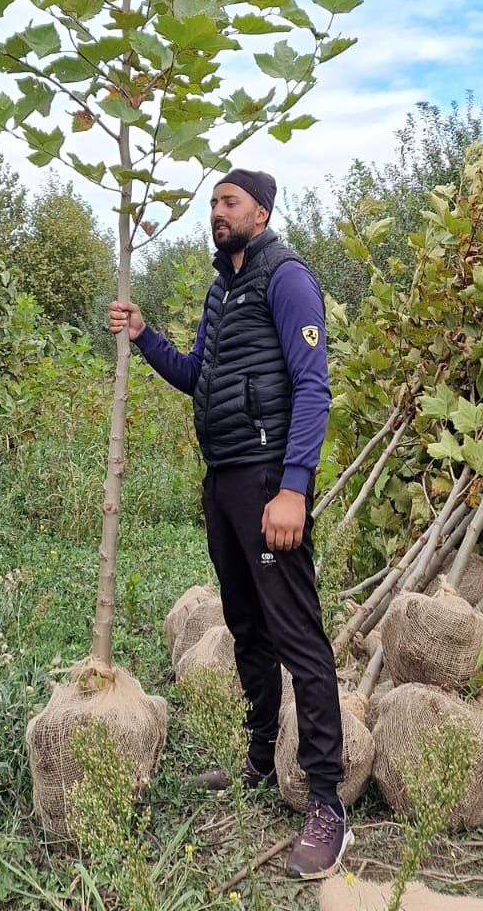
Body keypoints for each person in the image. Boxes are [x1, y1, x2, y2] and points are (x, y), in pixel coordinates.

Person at [108, 168, 352, 881]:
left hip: (268, 481)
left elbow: (313, 386)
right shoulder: (223, 289)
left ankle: (326, 801)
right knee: (246, 625)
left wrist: (294, 489)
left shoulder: (286, 277)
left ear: (261, 210)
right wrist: (146, 335)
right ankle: (257, 756)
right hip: (223, 481)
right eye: (213, 203)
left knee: (298, 635)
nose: (217, 212)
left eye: (230, 202)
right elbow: (196, 375)